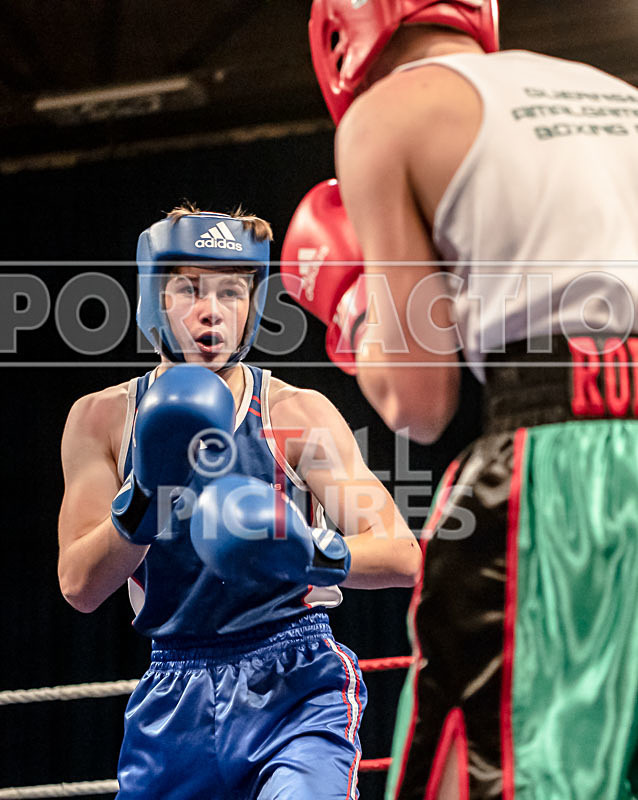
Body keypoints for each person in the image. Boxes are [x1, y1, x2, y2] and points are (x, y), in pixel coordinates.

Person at [280, 1, 638, 798]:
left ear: (340, 31)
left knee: (485, 767)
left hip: (562, 463)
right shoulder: (612, 91)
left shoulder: (386, 117)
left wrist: (352, 308)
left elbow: (420, 400)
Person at [57, 204, 422, 800]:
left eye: (231, 291)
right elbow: (79, 585)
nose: (212, 311)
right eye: (189, 289)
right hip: (174, 696)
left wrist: (308, 554)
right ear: (154, 299)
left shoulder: (296, 413)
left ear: (252, 305)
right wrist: (145, 498)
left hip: (295, 682)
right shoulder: (101, 419)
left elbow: (403, 554)